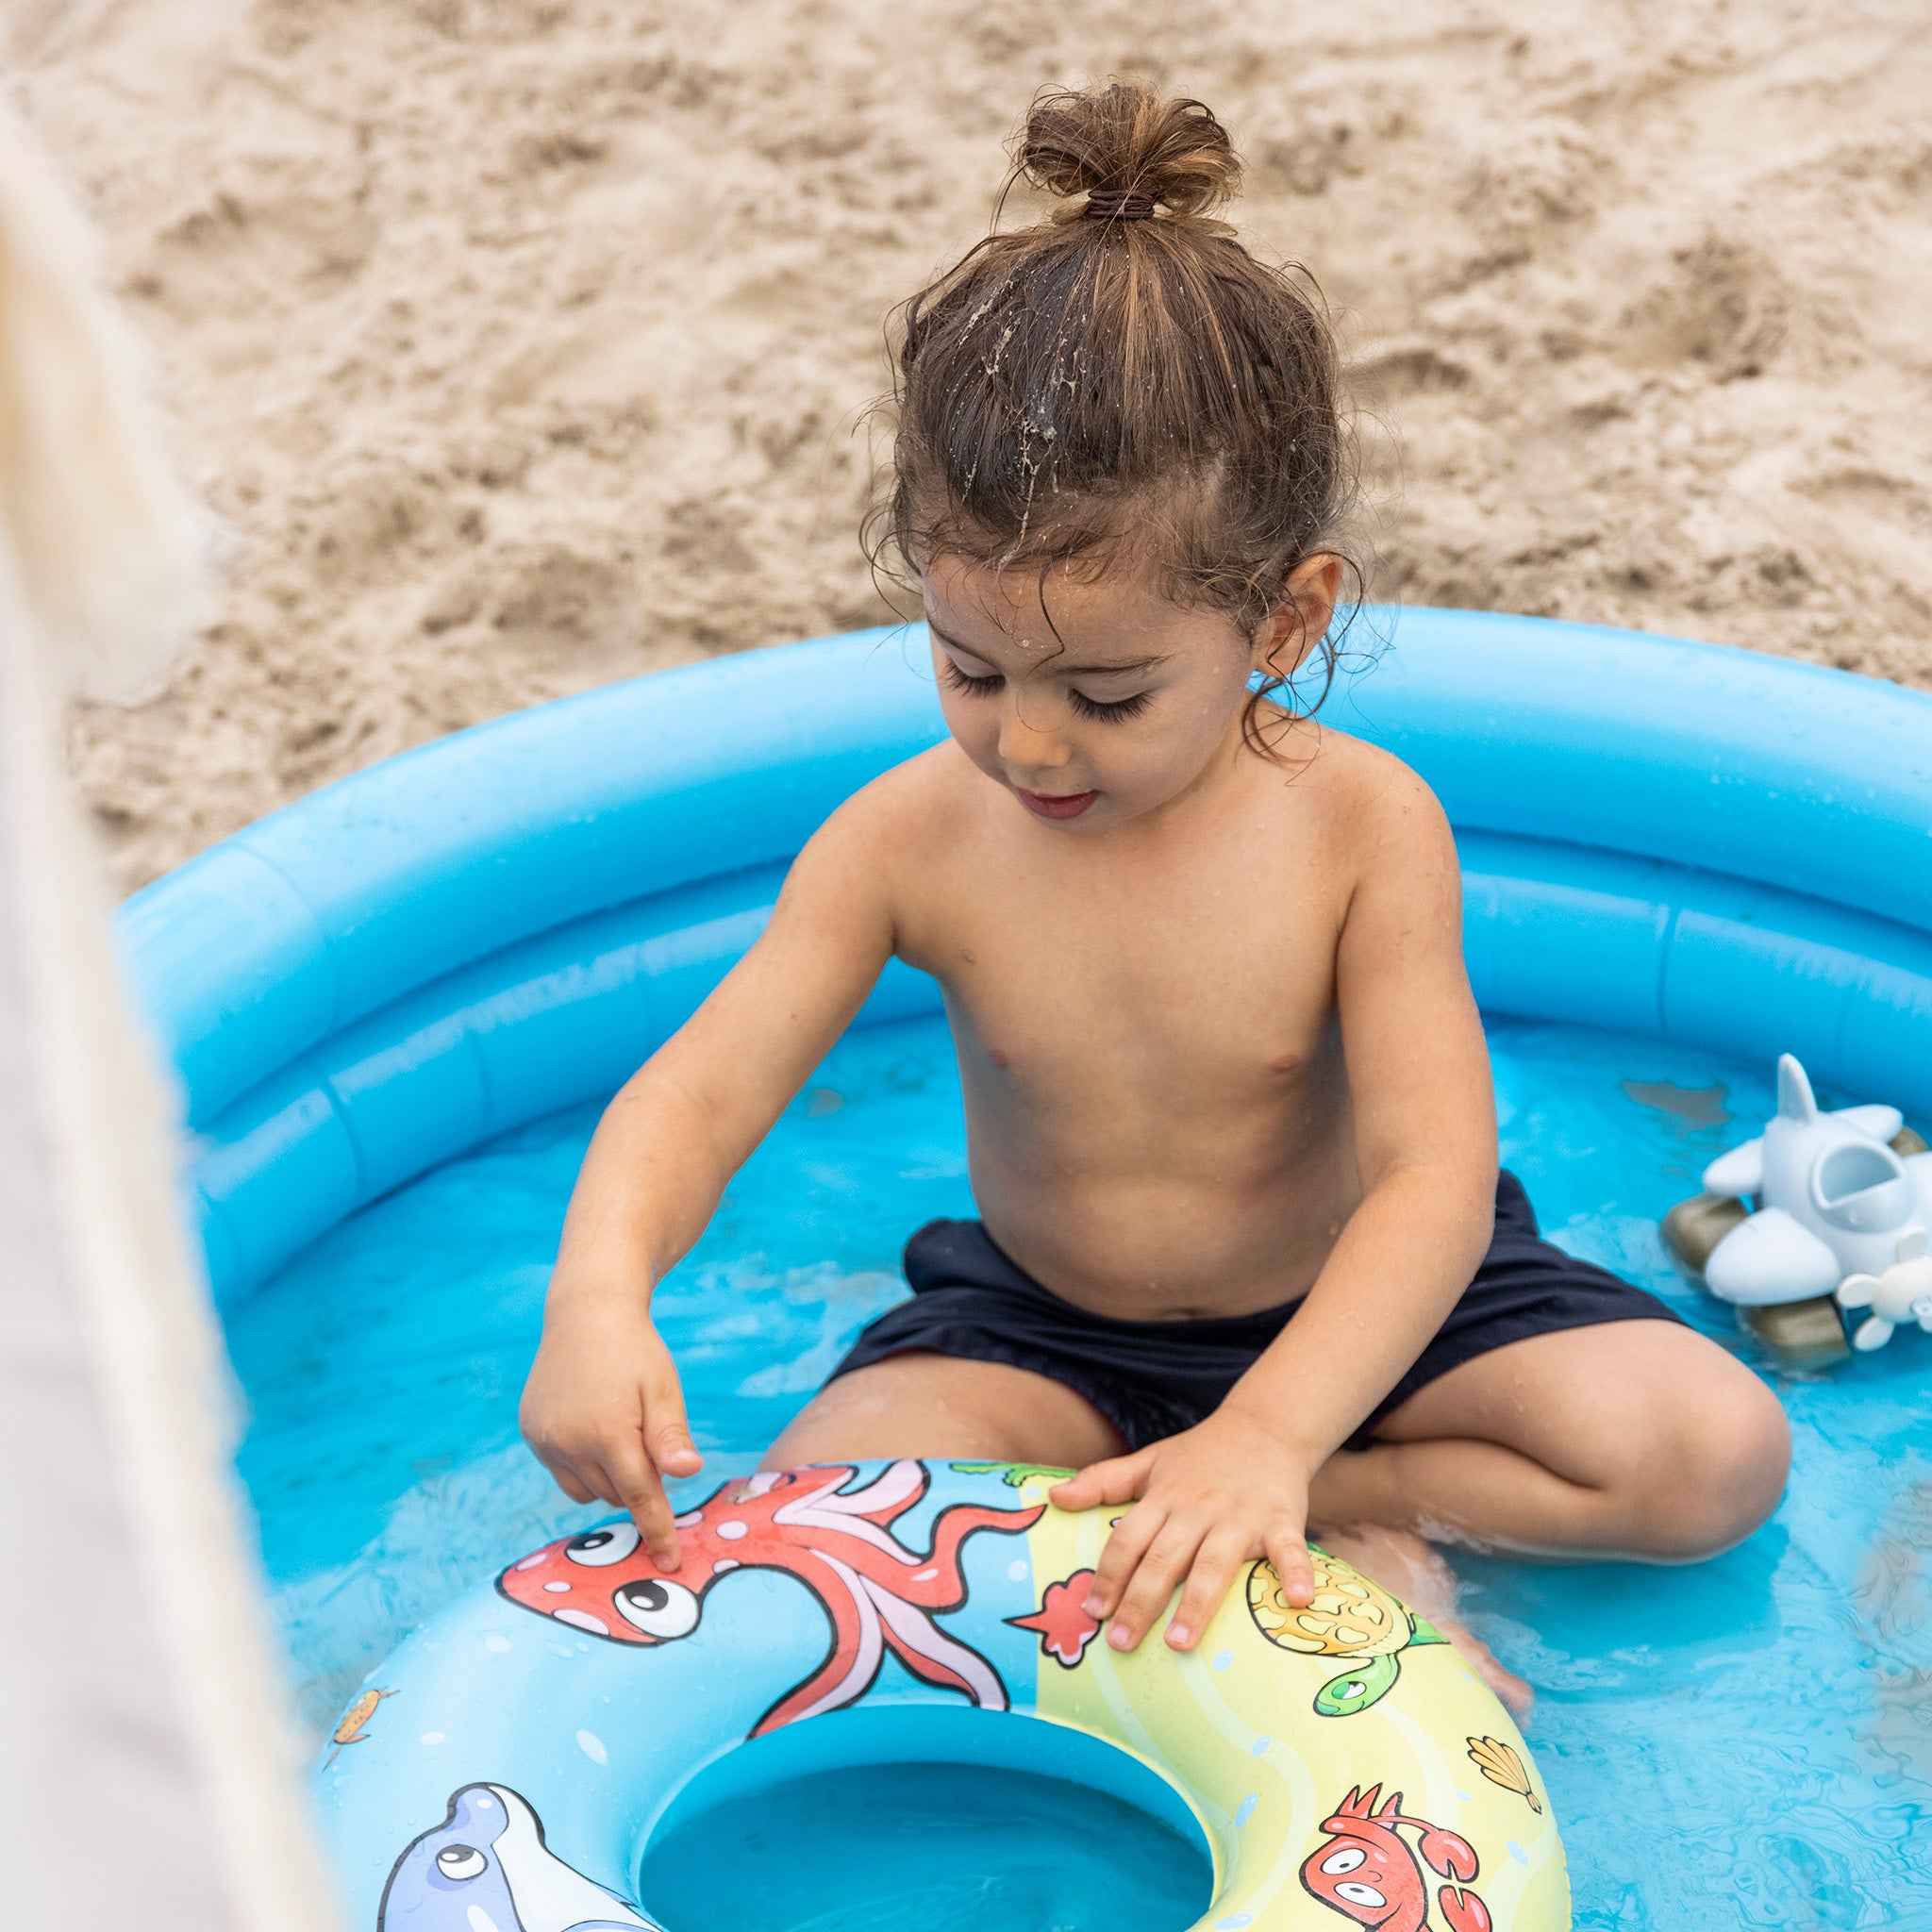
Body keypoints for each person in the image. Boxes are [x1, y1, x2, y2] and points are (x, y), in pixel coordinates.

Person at [519, 81, 1790, 1709]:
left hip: (1375, 1327)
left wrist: (1272, 1437)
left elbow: (1430, 1181)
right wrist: (598, 1294)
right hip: (1052, 1338)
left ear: (1284, 619)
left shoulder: (1356, 827)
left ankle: (1319, 1512)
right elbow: (697, 1096)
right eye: (970, 668)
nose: (1029, 742)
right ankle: (1192, 1499)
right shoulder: (908, 839)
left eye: (1107, 695)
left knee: (1706, 1454)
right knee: (814, 1515)